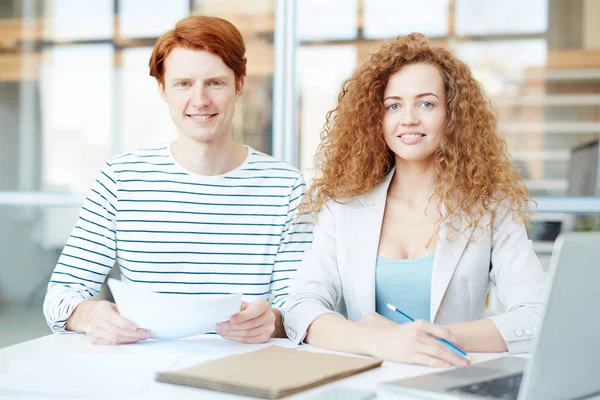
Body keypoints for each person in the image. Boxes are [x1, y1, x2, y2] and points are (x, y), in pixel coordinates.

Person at [43, 15, 312, 345]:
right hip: (138, 372)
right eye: (184, 84)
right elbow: (60, 295)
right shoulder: (121, 179)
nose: (200, 100)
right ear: (163, 90)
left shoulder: (286, 187)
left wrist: (271, 321)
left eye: (215, 83)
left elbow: (300, 308)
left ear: (239, 84)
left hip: (246, 372)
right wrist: (89, 315)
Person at [282, 33, 546, 368]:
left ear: (452, 115)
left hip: (453, 383)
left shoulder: (490, 206)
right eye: (393, 105)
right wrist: (383, 342)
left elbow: (537, 315)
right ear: (375, 119)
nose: (408, 118)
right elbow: (301, 308)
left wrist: (431, 338)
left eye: (426, 104)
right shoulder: (344, 207)